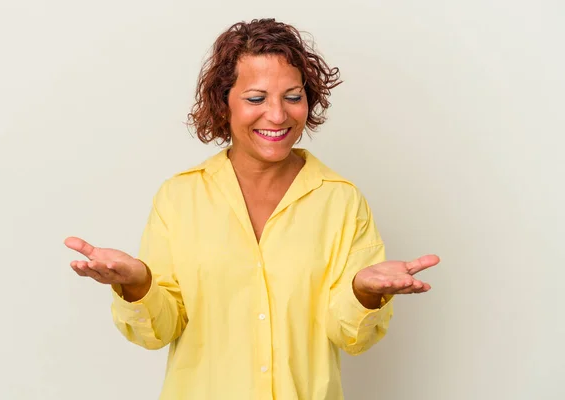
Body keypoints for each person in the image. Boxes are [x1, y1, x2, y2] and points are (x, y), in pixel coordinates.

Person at [64, 18, 440, 400]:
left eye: (293, 97)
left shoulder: (341, 200)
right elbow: (157, 331)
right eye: (256, 99)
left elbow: (352, 337)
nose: (277, 115)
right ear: (223, 103)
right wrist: (138, 283)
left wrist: (363, 292)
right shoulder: (179, 197)